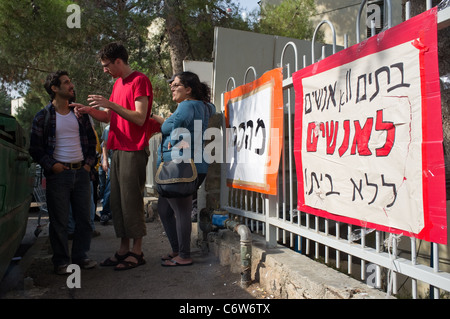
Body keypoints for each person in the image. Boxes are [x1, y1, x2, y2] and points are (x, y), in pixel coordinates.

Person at [72, 42, 154, 271]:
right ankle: (123, 249)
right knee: (117, 202)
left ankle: (137, 252)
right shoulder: (118, 84)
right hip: (117, 149)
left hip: (132, 149)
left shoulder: (140, 80)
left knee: (130, 201)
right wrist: (90, 111)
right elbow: (108, 117)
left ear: (118, 61)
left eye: (106, 65)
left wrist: (111, 105)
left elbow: (139, 118)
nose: (104, 70)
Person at [29, 70, 98, 275]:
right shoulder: (43, 116)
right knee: (59, 221)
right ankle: (61, 262)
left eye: (70, 81)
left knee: (84, 219)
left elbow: (92, 142)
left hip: (82, 172)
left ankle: (80, 257)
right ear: (54, 88)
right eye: (66, 82)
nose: (71, 85)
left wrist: (88, 164)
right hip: (59, 174)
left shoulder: (79, 114)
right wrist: (53, 166)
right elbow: (36, 149)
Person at [158, 71, 215, 267]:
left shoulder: (186, 106)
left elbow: (174, 128)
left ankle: (184, 255)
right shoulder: (205, 106)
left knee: (181, 210)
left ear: (188, 89)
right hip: (195, 165)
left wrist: (174, 140)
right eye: (172, 85)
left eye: (176, 85)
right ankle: (177, 249)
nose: (172, 88)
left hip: (182, 165)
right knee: (164, 208)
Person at [99, 124, 112, 225]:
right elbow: (105, 145)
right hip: (113, 162)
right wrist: (105, 161)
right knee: (110, 187)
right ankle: (105, 212)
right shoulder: (109, 128)